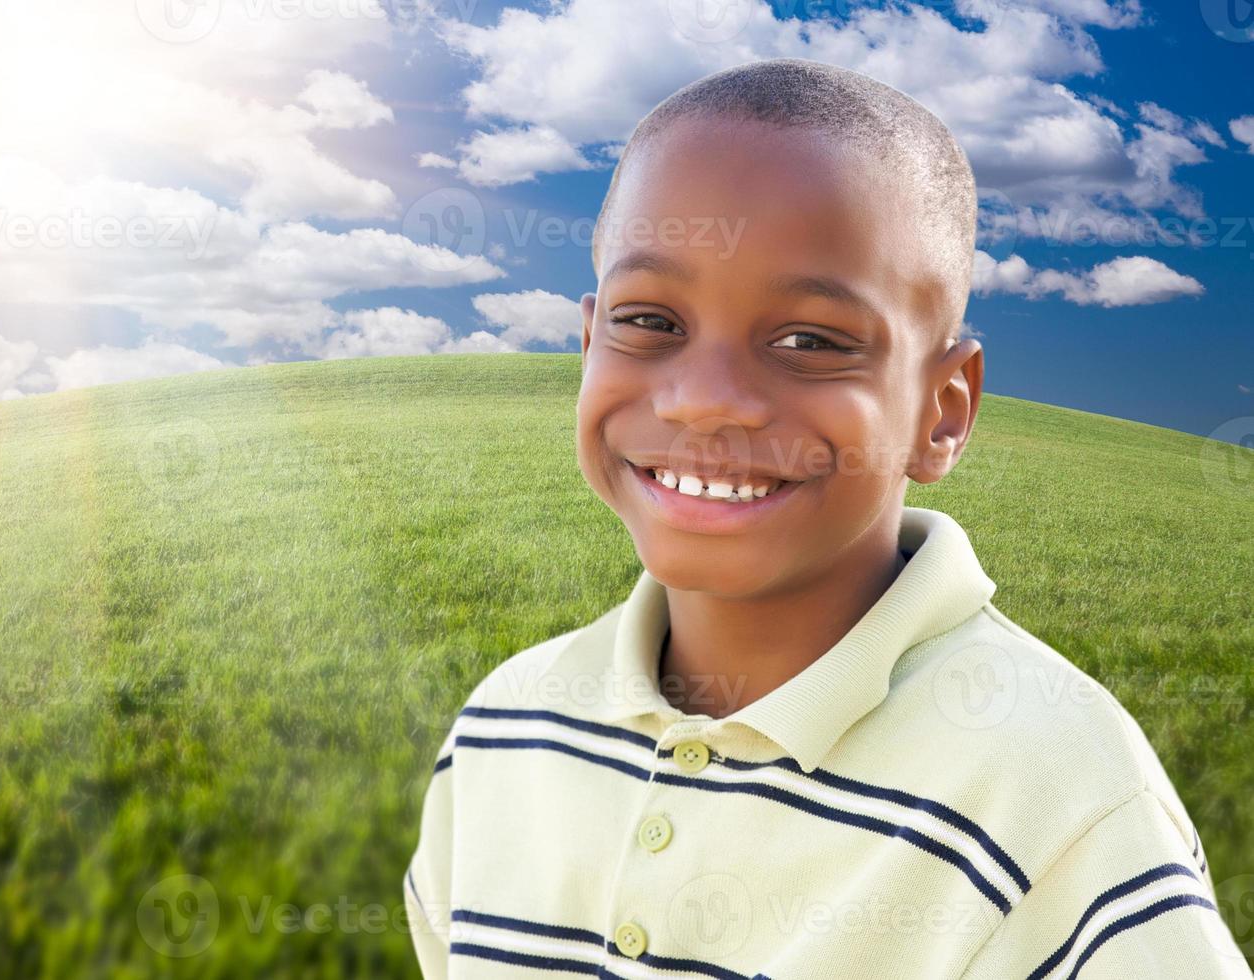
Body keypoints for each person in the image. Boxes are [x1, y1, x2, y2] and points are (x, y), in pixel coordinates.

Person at [402, 57, 1250, 979]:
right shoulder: (505, 727)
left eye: (809, 341)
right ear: (587, 340)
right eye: (650, 321)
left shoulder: (1057, 791)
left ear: (943, 411)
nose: (705, 402)